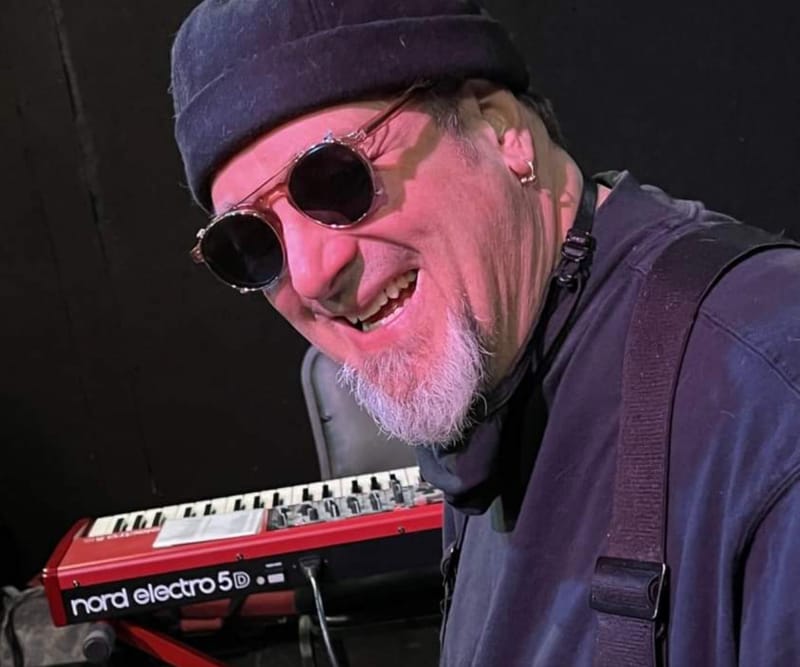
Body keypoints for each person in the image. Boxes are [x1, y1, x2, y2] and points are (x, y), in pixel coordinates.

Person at [170, 1, 800, 665]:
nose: (311, 273)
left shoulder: (771, 389)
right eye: (251, 244)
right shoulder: (491, 367)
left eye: (336, 180)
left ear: (501, 131)